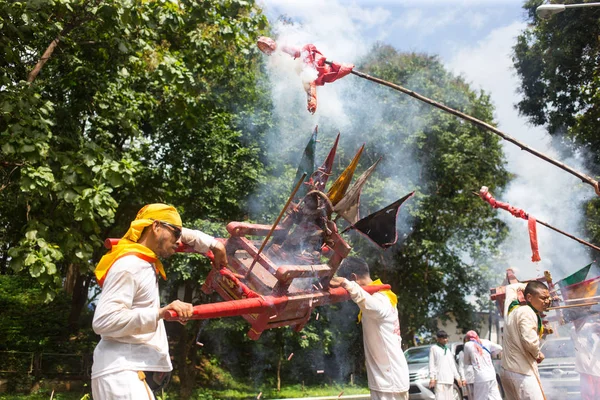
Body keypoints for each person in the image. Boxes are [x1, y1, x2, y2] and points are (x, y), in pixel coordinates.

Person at [91, 203, 227, 399]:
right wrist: (160, 313)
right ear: (155, 227)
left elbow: (176, 230)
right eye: (176, 234)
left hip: (122, 371)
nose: (179, 241)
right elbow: (103, 321)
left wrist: (214, 244)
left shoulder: (138, 256)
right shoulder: (130, 265)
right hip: (121, 374)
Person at [329, 256, 410, 400]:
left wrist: (346, 283)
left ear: (353, 277)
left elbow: (374, 307)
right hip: (386, 379)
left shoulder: (382, 298)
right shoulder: (380, 295)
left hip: (389, 381)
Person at [500, 280, 551, 400]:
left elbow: (511, 288)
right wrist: (538, 354)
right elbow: (530, 342)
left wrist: (530, 287)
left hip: (508, 371)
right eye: (543, 298)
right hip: (522, 373)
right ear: (529, 297)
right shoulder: (528, 312)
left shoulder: (511, 308)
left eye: (548, 298)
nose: (547, 301)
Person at [462, 330, 502, 400]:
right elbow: (500, 348)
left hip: (481, 377)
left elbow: (466, 362)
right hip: (492, 375)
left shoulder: (468, 345)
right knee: (495, 397)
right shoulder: (486, 342)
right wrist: (492, 354)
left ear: (467, 338)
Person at [571, 317, 600, 400]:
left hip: (598, 372)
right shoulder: (577, 331)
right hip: (586, 371)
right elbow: (579, 326)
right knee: (588, 396)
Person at [428, 330, 462, 400]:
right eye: (443, 338)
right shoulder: (434, 348)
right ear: (438, 339)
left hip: (449, 379)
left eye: (446, 338)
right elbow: (431, 364)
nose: (445, 340)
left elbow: (452, 365)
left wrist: (457, 377)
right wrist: (432, 378)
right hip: (440, 380)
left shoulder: (448, 350)